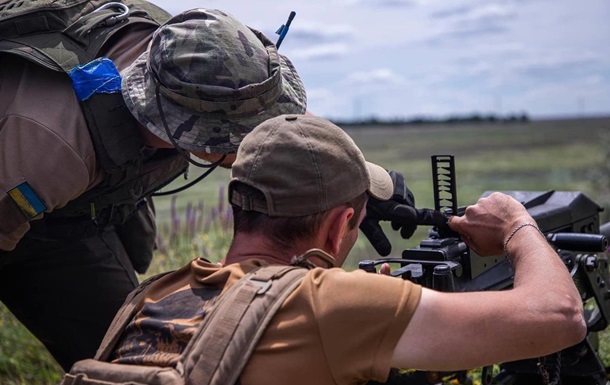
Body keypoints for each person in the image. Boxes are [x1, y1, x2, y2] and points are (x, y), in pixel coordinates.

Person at [107, 114, 586, 384]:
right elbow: (560, 318)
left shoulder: (148, 297)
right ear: (339, 229)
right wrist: (516, 223)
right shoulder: (325, 304)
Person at [0, 5, 306, 370]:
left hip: (73, 207)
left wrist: (354, 186)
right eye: (243, 130)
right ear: (198, 135)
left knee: (139, 362)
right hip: (20, 200)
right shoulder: (52, 151)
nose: (256, 137)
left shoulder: (198, 50)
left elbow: (272, 120)